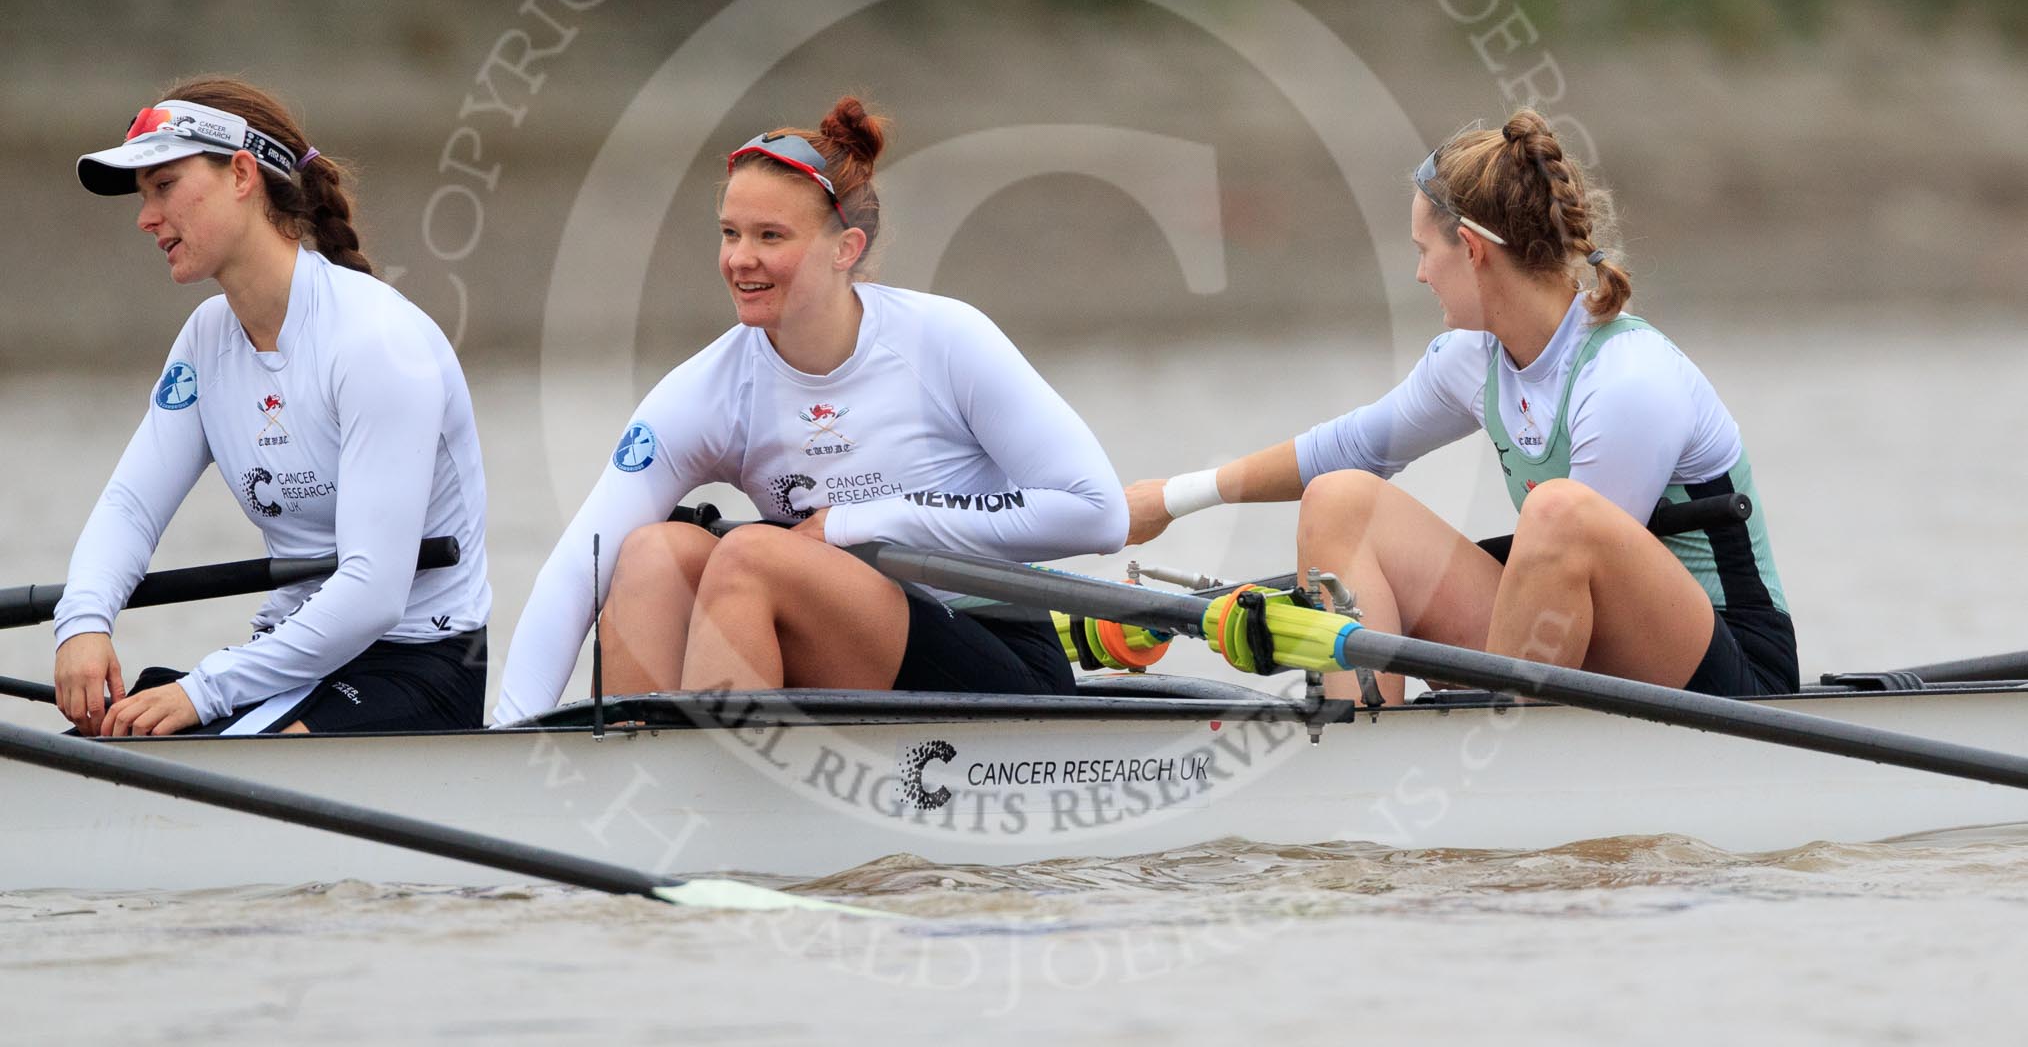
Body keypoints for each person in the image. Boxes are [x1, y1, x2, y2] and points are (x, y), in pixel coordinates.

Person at [1126, 109, 1795, 704]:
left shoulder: (1628, 382)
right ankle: (1362, 733)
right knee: (1341, 500)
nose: (1419, 274)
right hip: (1573, 648)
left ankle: (1483, 750)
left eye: (1424, 252)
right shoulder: (1471, 358)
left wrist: (1469, 667)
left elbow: (1577, 581)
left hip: (1731, 674)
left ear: (1471, 250)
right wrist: (1172, 498)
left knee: (1558, 514)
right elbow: (1348, 447)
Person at [494, 96, 1125, 723]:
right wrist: (506, 735)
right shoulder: (709, 389)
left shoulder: (946, 341)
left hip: (1001, 657)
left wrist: (857, 523)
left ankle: (720, 791)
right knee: (654, 554)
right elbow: (580, 565)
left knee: (749, 560)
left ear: (845, 248)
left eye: (771, 236)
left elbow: (1097, 514)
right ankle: (642, 782)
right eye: (730, 233)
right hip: (837, 654)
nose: (741, 259)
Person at [52, 77, 491, 736]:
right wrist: (83, 620)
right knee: (114, 736)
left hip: (419, 662)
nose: (146, 218)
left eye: (164, 187)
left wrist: (204, 691)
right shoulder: (206, 341)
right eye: (143, 198)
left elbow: (372, 593)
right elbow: (130, 507)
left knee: (200, 739)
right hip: (292, 658)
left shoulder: (377, 341)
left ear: (240, 174)